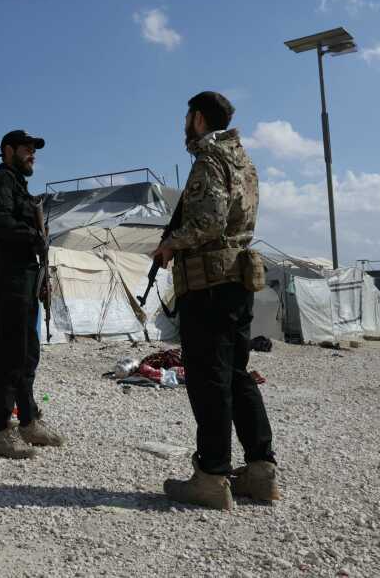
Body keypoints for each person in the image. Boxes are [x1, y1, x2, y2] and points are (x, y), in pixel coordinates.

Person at [150, 91, 279, 509]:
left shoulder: (209, 161)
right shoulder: (242, 159)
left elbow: (209, 221)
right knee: (237, 374)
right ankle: (260, 471)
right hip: (236, 282)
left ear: (200, 119)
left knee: (209, 381)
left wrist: (171, 244)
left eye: (188, 115)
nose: (184, 123)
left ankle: (211, 477)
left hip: (209, 284)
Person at [0, 129, 64, 458]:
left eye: (34, 149)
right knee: (10, 353)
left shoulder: (18, 184)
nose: (32, 153)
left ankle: (28, 421)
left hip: (26, 276)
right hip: (9, 275)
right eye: (26, 148)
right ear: (7, 150)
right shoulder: (1, 181)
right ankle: (0, 431)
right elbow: (1, 224)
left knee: (28, 352)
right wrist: (34, 236)